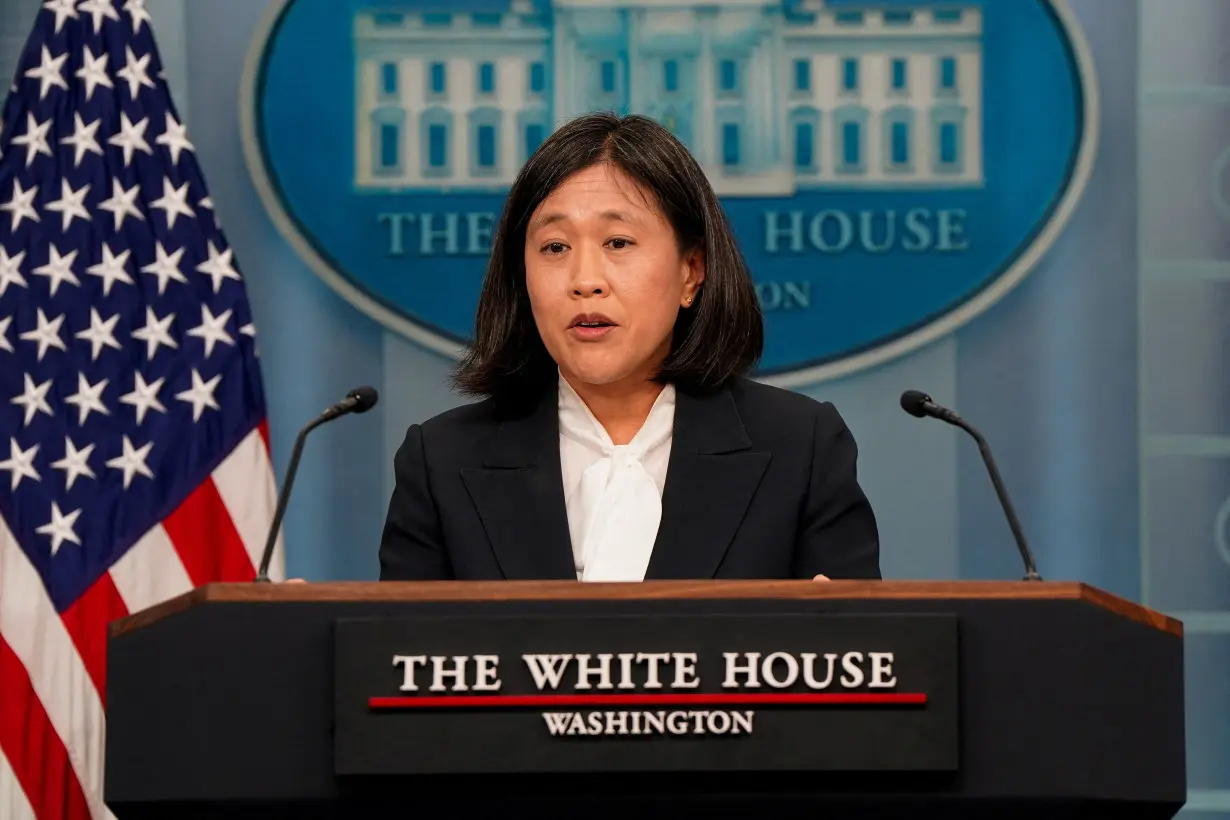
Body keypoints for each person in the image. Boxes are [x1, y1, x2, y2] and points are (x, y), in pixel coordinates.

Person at [377, 112, 881, 582]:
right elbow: (390, 666)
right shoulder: (441, 462)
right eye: (555, 247)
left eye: (617, 243)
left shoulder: (801, 447)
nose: (585, 280)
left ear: (691, 272)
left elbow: (872, 660)